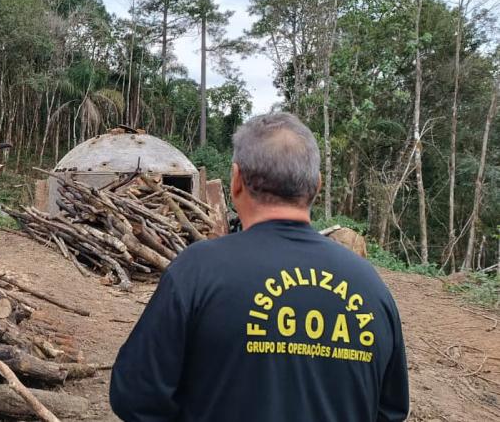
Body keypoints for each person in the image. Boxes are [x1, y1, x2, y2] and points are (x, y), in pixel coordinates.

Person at [110, 113, 408, 422]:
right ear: (316, 186)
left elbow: (134, 396)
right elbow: (391, 410)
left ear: (236, 180)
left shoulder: (197, 271)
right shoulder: (372, 288)